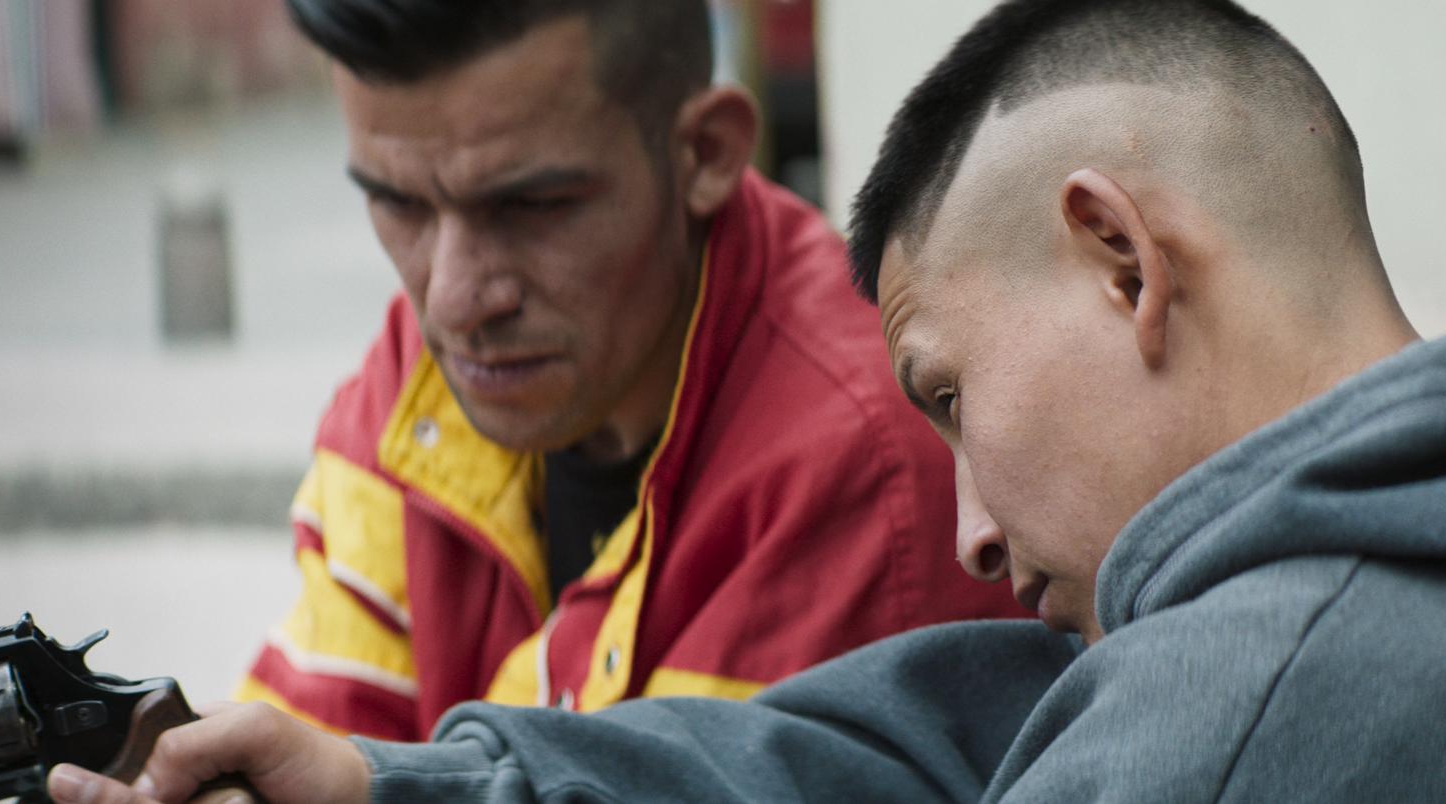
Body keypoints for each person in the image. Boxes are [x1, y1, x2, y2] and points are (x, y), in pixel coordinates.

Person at [42, 0, 1446, 801]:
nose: (972, 532)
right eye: (398, 209)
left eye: (949, 394)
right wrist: (390, 796)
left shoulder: (1229, 718)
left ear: (1121, 261)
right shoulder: (1207, 625)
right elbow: (878, 753)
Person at [219, 0, 1024, 745]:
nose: (456, 299)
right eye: (399, 205)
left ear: (705, 152)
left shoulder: (865, 463)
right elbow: (311, 737)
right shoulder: (416, 378)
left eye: (531, 208)